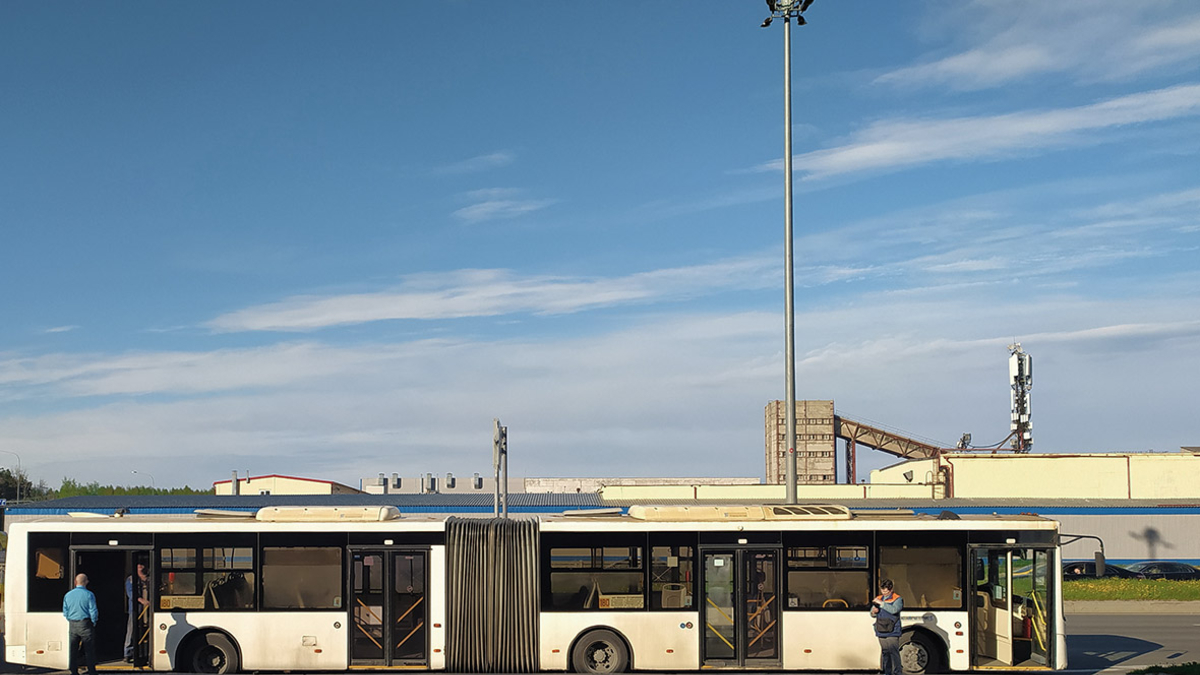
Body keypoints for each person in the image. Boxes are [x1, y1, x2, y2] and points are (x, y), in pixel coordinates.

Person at [63, 573, 99, 675]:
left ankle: (73, 671)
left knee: (73, 649)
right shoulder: (89, 594)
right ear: (86, 582)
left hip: (72, 624)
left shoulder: (68, 595)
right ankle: (92, 671)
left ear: (75, 582)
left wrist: (69, 618)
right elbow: (93, 610)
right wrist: (94, 621)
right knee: (89, 649)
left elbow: (65, 611)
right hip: (85, 623)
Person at [870, 578, 904, 675]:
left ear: (891, 589)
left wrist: (881, 603)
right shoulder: (879, 598)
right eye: (882, 590)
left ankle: (897, 672)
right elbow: (872, 613)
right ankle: (887, 672)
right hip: (881, 629)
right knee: (885, 652)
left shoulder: (897, 599)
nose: (884, 593)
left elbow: (894, 610)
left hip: (893, 630)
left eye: (886, 591)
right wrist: (873, 612)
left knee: (894, 652)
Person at [125, 562, 151, 661]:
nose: (140, 566)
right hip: (136, 609)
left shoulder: (150, 579)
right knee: (132, 630)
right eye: (138, 564)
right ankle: (128, 653)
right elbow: (131, 593)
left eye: (142, 564)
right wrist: (142, 600)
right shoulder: (131, 579)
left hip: (150, 610)